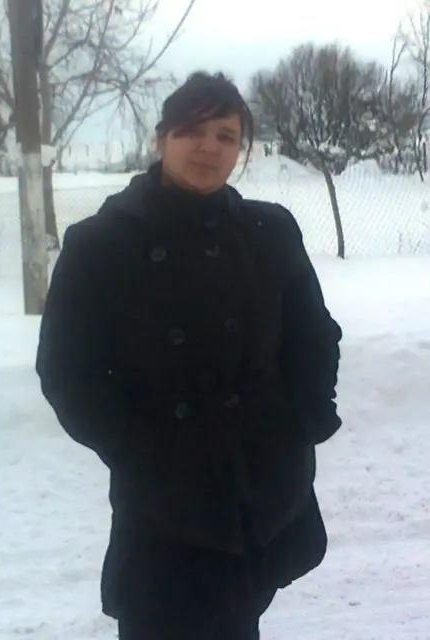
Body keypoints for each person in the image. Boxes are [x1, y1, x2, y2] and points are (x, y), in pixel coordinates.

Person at [36, 71, 343, 640]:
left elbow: (314, 337)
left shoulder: (269, 232)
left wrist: (299, 423)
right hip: (165, 504)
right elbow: (68, 372)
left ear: (241, 150)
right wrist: (142, 451)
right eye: (191, 131)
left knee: (239, 619)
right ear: (161, 140)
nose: (208, 147)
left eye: (226, 136)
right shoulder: (101, 243)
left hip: (257, 490)